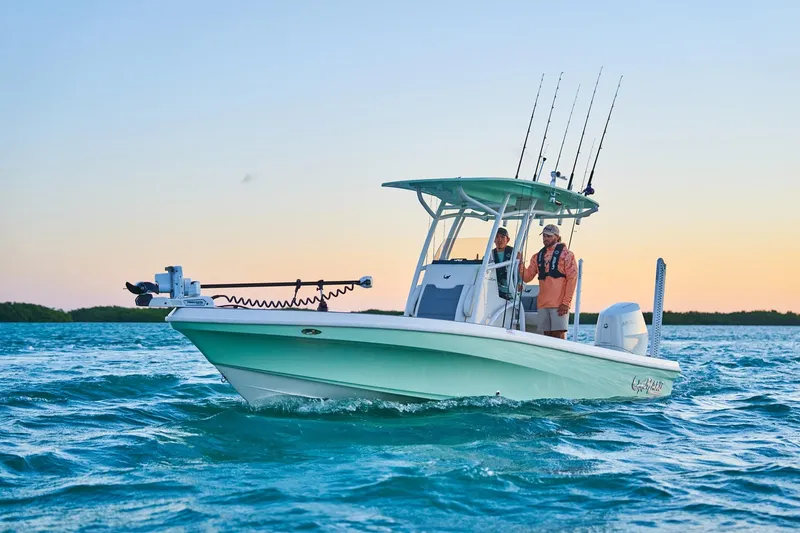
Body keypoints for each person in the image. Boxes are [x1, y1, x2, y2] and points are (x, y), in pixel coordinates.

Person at [519, 224, 578, 339]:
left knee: (559, 334)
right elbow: (527, 277)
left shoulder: (567, 255)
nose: (545, 239)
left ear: (557, 237)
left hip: (559, 304)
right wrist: (520, 263)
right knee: (545, 337)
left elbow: (572, 279)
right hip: (542, 304)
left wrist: (566, 303)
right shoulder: (537, 257)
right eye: (544, 236)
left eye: (549, 236)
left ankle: (560, 357)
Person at [492, 227, 521, 300]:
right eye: (497, 237)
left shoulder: (515, 253)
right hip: (495, 291)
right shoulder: (489, 255)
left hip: (512, 291)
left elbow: (521, 270)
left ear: (507, 239)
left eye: (502, 237)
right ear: (493, 239)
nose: (499, 240)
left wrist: (521, 284)